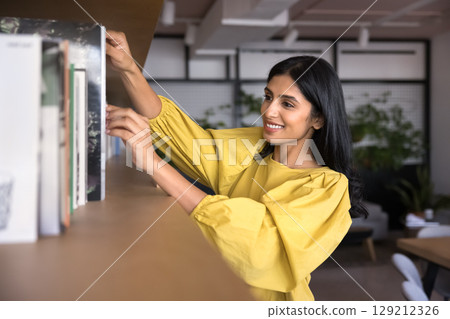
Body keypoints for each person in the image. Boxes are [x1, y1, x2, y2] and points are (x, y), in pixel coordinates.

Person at [105, 30, 367, 301]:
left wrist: (154, 164)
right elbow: (185, 140)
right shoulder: (253, 147)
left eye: (287, 103)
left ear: (318, 119)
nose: (269, 111)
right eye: (268, 96)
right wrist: (129, 69)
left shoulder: (327, 188)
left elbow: (259, 247)